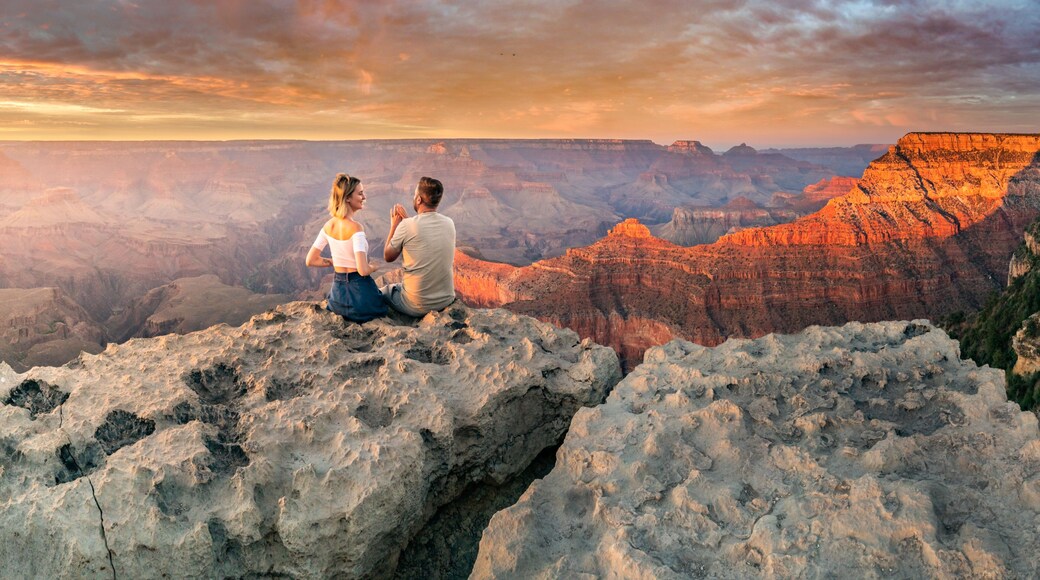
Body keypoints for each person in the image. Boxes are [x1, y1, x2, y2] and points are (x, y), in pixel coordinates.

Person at [306, 173, 387, 323]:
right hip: (361, 297)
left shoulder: (328, 225)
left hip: (338, 299)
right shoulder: (356, 228)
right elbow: (362, 270)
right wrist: (374, 267)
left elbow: (310, 260)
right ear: (348, 198)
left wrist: (334, 262)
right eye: (360, 193)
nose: (364, 197)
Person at [382, 176, 456, 316]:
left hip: (416, 305)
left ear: (419, 200)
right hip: (445, 300)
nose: (414, 197)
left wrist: (394, 226)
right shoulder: (449, 223)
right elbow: (423, 236)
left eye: (415, 194)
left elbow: (388, 256)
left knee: (383, 292)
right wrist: (408, 221)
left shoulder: (407, 225)